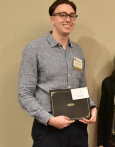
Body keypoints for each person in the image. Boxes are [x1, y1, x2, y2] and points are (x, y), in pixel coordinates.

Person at [18, 0, 97, 146]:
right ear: (52, 19)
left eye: (72, 16)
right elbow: (24, 94)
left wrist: (92, 107)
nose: (68, 19)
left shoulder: (78, 51)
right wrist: (49, 119)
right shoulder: (34, 49)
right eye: (62, 15)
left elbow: (82, 87)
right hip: (48, 129)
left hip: (78, 126)